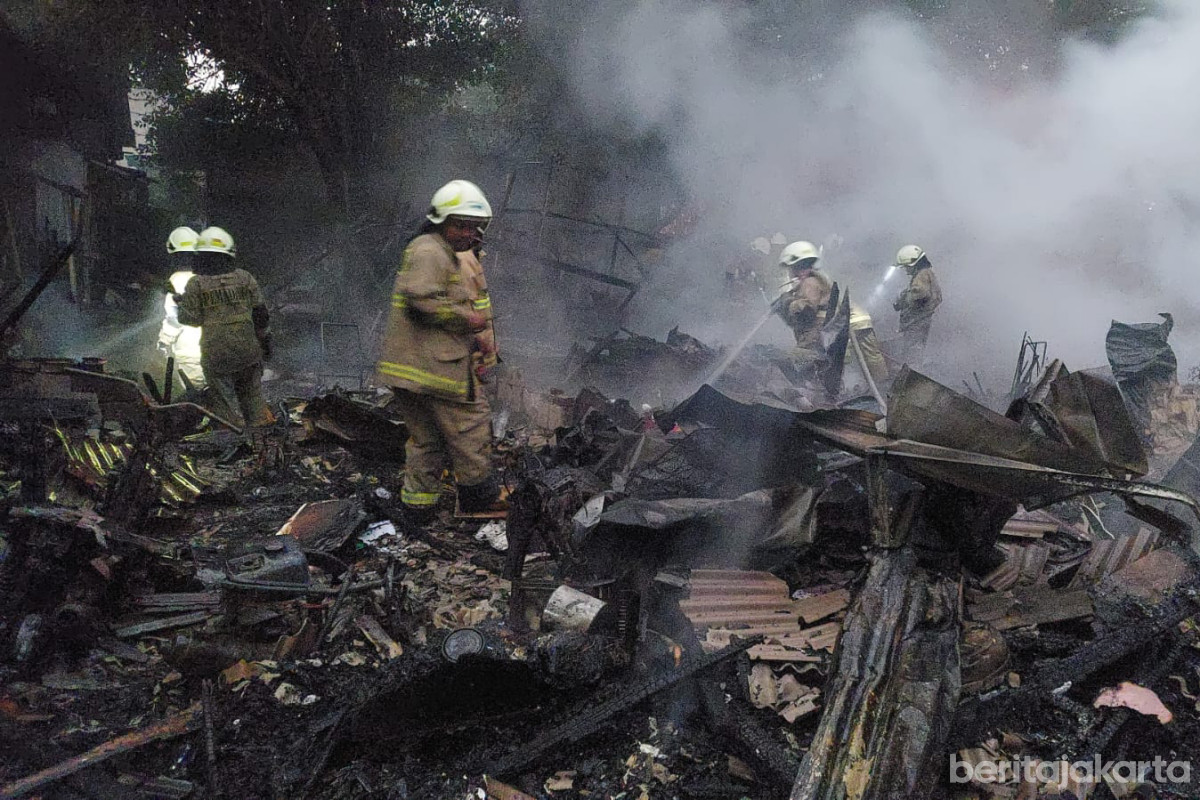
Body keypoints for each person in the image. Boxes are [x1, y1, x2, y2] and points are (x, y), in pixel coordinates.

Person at [376, 180, 500, 521]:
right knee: (471, 426)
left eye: (473, 227)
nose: (468, 234)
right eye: (460, 225)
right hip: (436, 370)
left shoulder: (438, 251)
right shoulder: (430, 251)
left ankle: (419, 507)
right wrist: (468, 319)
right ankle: (479, 496)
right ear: (440, 221)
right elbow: (421, 298)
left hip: (414, 369)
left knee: (425, 440)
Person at [176, 226, 273, 439]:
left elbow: (190, 319)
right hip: (248, 352)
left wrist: (181, 303)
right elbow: (261, 314)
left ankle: (229, 439)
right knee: (254, 400)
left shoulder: (196, 284)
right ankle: (262, 443)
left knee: (223, 406)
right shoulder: (245, 278)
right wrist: (265, 345)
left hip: (216, 355)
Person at [776, 240, 888, 388]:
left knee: (835, 357)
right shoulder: (820, 278)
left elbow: (807, 310)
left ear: (797, 267)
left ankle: (840, 389)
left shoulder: (809, 282)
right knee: (872, 357)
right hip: (860, 319)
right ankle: (883, 385)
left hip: (847, 323)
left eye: (790, 268)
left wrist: (789, 302)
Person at [157, 226, 206, 393]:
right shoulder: (209, 278)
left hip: (189, 351)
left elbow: (174, 318)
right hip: (213, 348)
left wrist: (164, 341)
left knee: (196, 396)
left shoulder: (177, 280)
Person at [892, 244, 943, 362]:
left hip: (916, 323)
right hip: (921, 321)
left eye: (906, 267)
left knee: (912, 354)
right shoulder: (927, 273)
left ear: (913, 264)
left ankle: (912, 370)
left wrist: (904, 297)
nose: (906, 270)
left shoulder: (921, 276)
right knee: (915, 350)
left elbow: (920, 293)